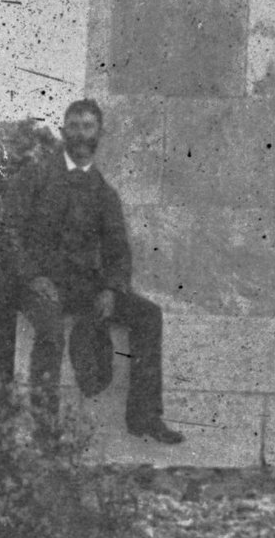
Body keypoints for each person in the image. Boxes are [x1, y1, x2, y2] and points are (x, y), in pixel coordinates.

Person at [19, 98, 184, 446]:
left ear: (99, 134)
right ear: (63, 130)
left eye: (88, 126)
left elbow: (118, 250)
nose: (81, 134)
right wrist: (33, 276)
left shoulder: (104, 192)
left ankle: (144, 417)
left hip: (83, 287)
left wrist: (111, 288)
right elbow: (8, 232)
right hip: (39, 284)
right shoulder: (35, 177)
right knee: (49, 330)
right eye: (74, 126)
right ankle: (45, 430)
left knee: (148, 315)